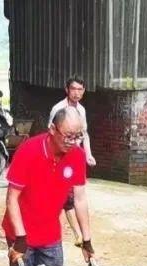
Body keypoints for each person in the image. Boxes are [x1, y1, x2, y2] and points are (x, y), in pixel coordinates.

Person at [4, 107, 95, 266]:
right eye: (68, 136)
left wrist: (86, 240)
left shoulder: (77, 156)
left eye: (78, 136)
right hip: (21, 233)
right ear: (53, 129)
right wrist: (19, 238)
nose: (72, 141)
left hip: (50, 234)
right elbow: (11, 199)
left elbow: (80, 200)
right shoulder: (29, 150)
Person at [49, 77, 96, 247]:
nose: (77, 93)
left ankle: (79, 235)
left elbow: (84, 134)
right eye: (73, 89)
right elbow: (51, 134)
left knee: (74, 195)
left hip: (74, 157)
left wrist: (88, 154)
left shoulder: (81, 110)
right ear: (67, 90)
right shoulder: (58, 109)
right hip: (60, 157)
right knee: (64, 196)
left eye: (80, 89)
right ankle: (74, 234)